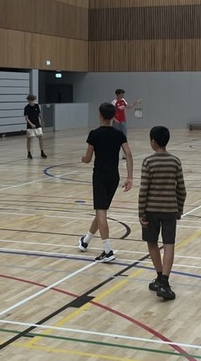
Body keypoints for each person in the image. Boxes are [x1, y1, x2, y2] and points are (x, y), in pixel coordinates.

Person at [77, 102, 134, 262]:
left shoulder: (94, 134)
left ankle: (108, 252)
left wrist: (83, 159)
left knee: (101, 211)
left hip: (100, 177)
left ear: (100, 115)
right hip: (114, 177)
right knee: (101, 210)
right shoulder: (119, 134)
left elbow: (88, 158)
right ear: (113, 116)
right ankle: (85, 241)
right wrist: (130, 177)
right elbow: (128, 154)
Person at [139, 126, 186, 300]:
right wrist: (179, 209)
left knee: (152, 243)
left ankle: (159, 277)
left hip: (151, 210)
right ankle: (164, 281)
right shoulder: (175, 161)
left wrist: (141, 212)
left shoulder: (148, 162)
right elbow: (181, 189)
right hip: (170, 210)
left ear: (153, 142)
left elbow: (144, 189)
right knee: (169, 244)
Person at [112, 89, 141, 158]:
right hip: (116, 123)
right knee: (115, 137)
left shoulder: (123, 100)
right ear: (118, 94)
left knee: (124, 137)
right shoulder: (114, 102)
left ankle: (124, 154)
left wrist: (135, 103)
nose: (123, 95)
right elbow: (111, 112)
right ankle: (114, 153)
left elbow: (128, 107)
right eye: (122, 94)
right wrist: (114, 119)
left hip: (123, 121)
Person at [24, 94, 48, 159]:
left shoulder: (37, 106)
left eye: (32, 100)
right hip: (30, 126)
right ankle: (29, 153)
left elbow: (39, 114)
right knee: (29, 139)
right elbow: (26, 118)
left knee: (41, 138)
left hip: (37, 124)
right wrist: (31, 124)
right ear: (28, 100)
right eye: (29, 100)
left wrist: (42, 121)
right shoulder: (26, 108)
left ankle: (42, 152)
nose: (31, 101)